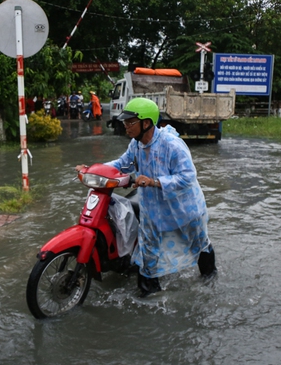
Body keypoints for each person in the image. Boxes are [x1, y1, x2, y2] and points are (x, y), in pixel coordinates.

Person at [76, 98, 216, 297]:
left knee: (199, 243)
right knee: (148, 251)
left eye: (130, 122)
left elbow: (188, 177)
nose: (125, 126)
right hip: (153, 208)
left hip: (184, 209)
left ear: (147, 123)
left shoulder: (172, 145)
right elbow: (122, 164)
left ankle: (209, 280)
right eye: (125, 122)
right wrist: (92, 170)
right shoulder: (136, 144)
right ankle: (149, 295)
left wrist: (154, 181)